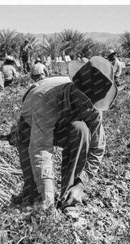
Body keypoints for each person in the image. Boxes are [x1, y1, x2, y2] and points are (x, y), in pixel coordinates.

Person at [14, 56, 117, 210]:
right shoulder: (46, 99)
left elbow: (97, 149)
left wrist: (80, 185)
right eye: (85, 100)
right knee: (37, 198)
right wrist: (47, 196)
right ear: (74, 87)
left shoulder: (93, 106)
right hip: (30, 127)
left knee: (80, 130)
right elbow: (41, 147)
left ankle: (68, 195)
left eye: (91, 103)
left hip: (63, 124)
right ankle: (34, 192)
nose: (88, 106)